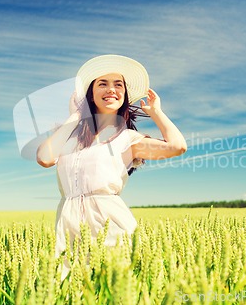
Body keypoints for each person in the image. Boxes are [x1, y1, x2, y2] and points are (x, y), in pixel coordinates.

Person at [36, 54, 186, 276]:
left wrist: (157, 113)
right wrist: (76, 117)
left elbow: (177, 146)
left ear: (124, 94)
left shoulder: (128, 140)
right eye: (102, 84)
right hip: (68, 224)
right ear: (91, 94)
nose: (111, 90)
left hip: (111, 223)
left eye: (118, 85)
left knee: (115, 289)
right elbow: (45, 158)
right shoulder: (69, 138)